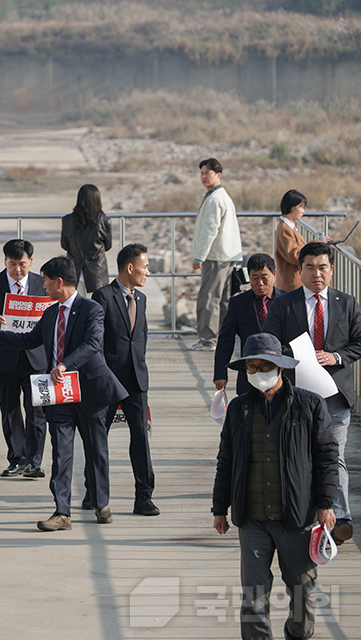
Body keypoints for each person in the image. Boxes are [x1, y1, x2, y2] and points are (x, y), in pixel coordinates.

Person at [212, 333, 338, 640]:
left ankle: (297, 634)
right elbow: (226, 459)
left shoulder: (310, 405)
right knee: (253, 597)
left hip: (296, 518)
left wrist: (325, 503)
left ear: (280, 368)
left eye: (264, 366)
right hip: (252, 518)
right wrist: (220, 508)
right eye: (251, 368)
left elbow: (327, 457)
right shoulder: (239, 409)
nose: (258, 373)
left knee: (302, 594)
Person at [0, 257, 127, 532]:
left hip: (89, 390)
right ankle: (62, 512)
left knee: (96, 450)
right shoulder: (50, 313)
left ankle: (101, 503)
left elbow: (93, 344)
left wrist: (66, 364)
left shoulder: (91, 309)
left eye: (45, 280)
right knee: (61, 453)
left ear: (59, 281)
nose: (42, 286)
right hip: (59, 394)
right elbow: (29, 340)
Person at [263, 241, 360, 546]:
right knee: (298, 455)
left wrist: (337, 356)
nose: (317, 274)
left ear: (331, 269)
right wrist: (295, 356)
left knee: (336, 456)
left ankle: (340, 518)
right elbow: (269, 344)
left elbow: (359, 342)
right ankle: (300, 513)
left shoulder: (347, 303)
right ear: (299, 270)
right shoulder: (283, 304)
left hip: (336, 394)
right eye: (310, 267)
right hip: (296, 395)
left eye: (322, 267)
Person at [91, 244, 158, 516]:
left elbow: (139, 339)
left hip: (136, 381)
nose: (148, 273)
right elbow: (95, 340)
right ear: (130, 268)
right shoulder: (103, 296)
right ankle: (94, 492)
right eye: (145, 267)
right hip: (108, 380)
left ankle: (144, 497)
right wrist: (101, 374)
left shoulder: (140, 299)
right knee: (98, 437)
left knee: (141, 437)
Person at [0, 238, 48, 478]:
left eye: (22, 264)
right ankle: (16, 458)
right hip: (5, 358)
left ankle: (35, 460)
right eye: (12, 264)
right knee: (10, 411)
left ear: (31, 261)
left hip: (37, 358)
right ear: (4, 261)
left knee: (37, 410)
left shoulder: (42, 284)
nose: (17, 270)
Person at [190, 158, 241, 351]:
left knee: (209, 298)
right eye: (202, 173)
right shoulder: (220, 196)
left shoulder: (215, 199)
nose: (203, 177)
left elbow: (210, 230)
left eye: (207, 173)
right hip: (227, 255)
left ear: (218, 175)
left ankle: (208, 340)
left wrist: (199, 256)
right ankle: (220, 337)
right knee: (222, 299)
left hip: (215, 256)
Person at [214, 254, 283, 396]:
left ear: (274, 275)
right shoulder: (238, 303)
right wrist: (220, 373)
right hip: (250, 372)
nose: (260, 283)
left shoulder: (287, 301)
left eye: (264, 277)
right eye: (255, 278)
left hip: (280, 372)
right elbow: (226, 339)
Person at [61, 184, 112, 294]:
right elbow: (107, 246)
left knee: (75, 307)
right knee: (96, 308)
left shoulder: (67, 220)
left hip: (74, 270)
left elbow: (64, 245)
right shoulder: (104, 221)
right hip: (97, 272)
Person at [274, 190, 324, 293]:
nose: (303, 211)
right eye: (301, 207)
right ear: (292, 207)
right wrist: (316, 245)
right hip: (291, 284)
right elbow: (294, 255)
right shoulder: (284, 229)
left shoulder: (289, 227)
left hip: (295, 283)